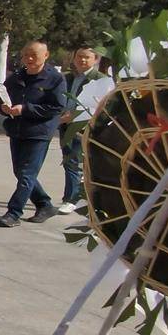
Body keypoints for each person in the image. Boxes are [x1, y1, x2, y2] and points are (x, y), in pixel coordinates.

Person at [0, 41, 66, 227]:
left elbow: (57, 107)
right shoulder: (15, 78)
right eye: (26, 55)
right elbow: (1, 103)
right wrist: (5, 109)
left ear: (46, 55)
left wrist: (25, 109)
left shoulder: (55, 79)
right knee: (20, 172)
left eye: (34, 55)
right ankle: (44, 204)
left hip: (39, 133)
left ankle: (13, 213)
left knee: (26, 174)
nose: (29, 59)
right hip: (17, 130)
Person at [57, 46, 116, 214]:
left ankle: (73, 199)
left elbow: (104, 107)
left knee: (78, 162)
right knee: (70, 161)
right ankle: (73, 197)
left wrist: (77, 116)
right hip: (65, 125)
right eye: (79, 56)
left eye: (87, 57)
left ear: (95, 59)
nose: (82, 60)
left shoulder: (101, 80)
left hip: (86, 126)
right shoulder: (67, 78)